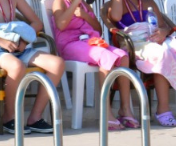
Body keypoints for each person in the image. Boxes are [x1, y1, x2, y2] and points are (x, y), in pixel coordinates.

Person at [0, 0, 66, 135]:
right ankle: (9, 117)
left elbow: (37, 23)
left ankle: (35, 117)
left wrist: (24, 40)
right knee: (17, 66)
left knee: (57, 64)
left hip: (16, 49)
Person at [107, 0, 176, 126]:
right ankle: (163, 110)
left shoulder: (149, 3)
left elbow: (163, 26)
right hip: (135, 43)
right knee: (161, 54)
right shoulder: (116, 3)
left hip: (157, 39)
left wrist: (163, 32)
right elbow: (115, 17)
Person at [50, 0, 138, 129]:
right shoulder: (60, 2)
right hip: (70, 44)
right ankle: (106, 112)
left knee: (122, 56)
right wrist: (74, 4)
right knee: (106, 57)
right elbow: (61, 25)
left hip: (90, 42)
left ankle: (125, 109)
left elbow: (98, 30)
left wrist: (85, 15)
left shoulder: (84, 5)